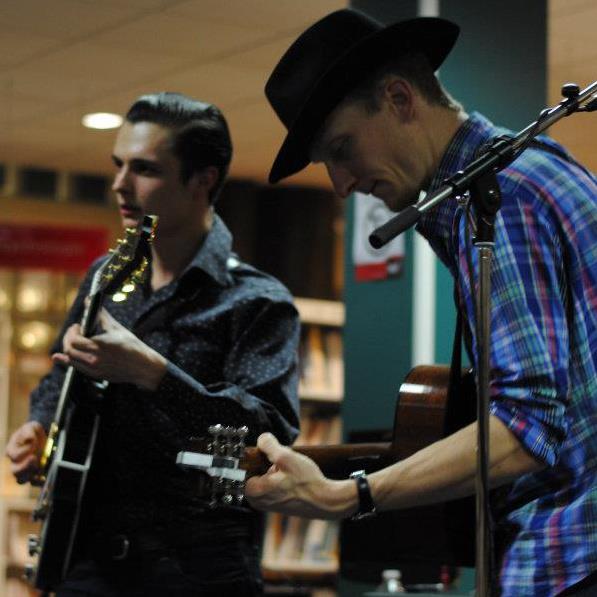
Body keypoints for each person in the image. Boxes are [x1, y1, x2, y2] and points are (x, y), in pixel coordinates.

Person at [245, 9, 597, 597]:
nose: (339, 183)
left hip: (573, 556)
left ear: (401, 98)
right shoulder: (528, 175)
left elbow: (524, 428)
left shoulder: (504, 199)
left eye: (342, 147)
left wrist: (347, 494)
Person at [6, 92, 301, 596]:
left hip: (198, 566)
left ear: (203, 180)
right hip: (89, 554)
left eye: (145, 169)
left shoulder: (258, 300)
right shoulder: (105, 275)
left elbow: (268, 437)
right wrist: (40, 424)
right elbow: (63, 370)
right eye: (118, 165)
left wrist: (154, 374)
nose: (120, 184)